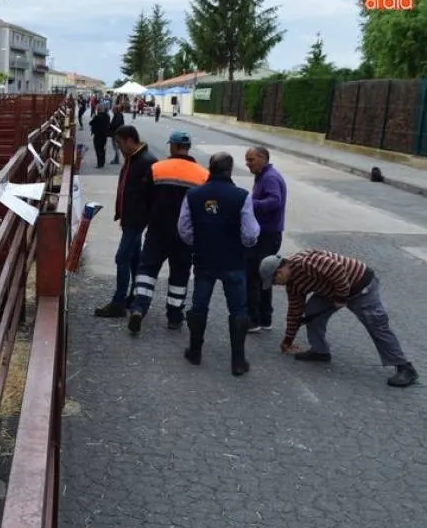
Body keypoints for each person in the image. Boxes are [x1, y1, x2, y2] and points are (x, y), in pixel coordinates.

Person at [260, 250, 418, 388]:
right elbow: (295, 312)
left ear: (281, 269)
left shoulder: (305, 262)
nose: (276, 285)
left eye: (274, 280)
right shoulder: (293, 284)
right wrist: (287, 341)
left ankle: (404, 367)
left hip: (360, 285)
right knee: (312, 312)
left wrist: (341, 297)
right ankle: (320, 351)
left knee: (376, 324)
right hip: (333, 290)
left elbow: (337, 270)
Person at [178, 152, 261, 375]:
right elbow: (251, 233)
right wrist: (242, 245)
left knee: (199, 306)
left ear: (210, 168)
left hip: (205, 259)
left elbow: (184, 229)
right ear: (230, 170)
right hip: (233, 260)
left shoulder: (193, 195)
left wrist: (200, 242)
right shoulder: (241, 196)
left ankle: (195, 352)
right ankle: (238, 360)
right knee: (238, 310)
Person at [126, 131, 208, 333]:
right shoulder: (203, 174)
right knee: (180, 275)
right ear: (188, 147)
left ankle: (139, 308)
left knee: (147, 270)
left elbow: (143, 197)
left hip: (158, 230)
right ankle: (174, 316)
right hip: (185, 235)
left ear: (172, 146)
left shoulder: (157, 168)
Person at [94, 125, 157, 318]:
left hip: (136, 219)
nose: (119, 148)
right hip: (131, 217)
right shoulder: (136, 159)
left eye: (120, 144)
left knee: (122, 257)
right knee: (134, 258)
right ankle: (134, 295)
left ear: (130, 140)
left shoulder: (145, 162)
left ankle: (119, 302)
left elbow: (151, 194)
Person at [244, 146, 287, 333]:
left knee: (254, 275)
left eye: (251, 160)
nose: (247, 163)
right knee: (264, 276)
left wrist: (250, 204)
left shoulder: (269, 178)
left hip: (267, 235)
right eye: (247, 160)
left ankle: (253, 321)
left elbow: (275, 201)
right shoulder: (265, 176)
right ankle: (265, 318)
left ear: (262, 159)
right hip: (269, 233)